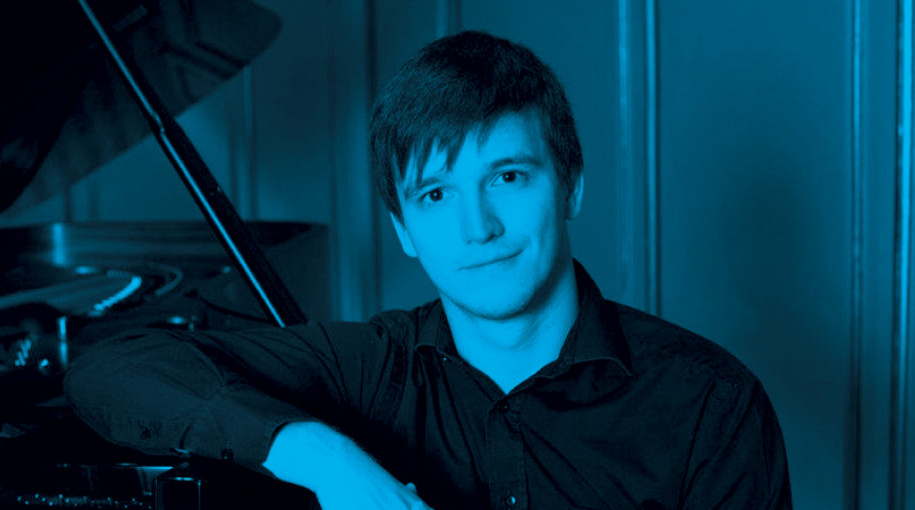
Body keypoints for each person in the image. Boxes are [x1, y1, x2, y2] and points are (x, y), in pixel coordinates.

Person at [65, 30, 792, 509]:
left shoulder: (710, 405)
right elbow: (113, 368)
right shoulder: (368, 371)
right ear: (404, 230)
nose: (478, 228)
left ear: (570, 186)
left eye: (508, 177)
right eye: (436, 195)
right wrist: (325, 459)